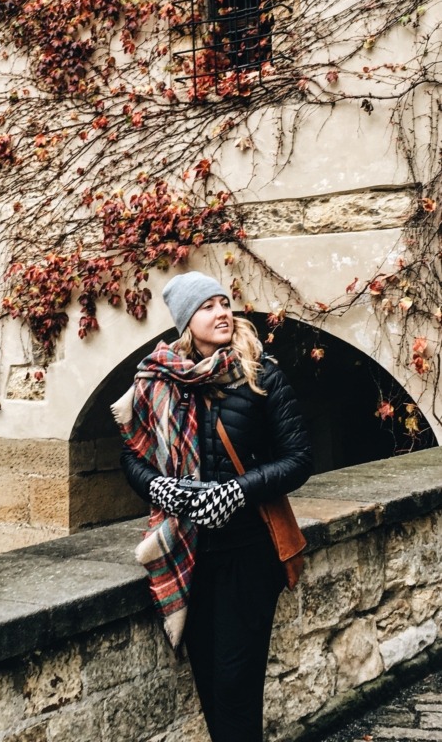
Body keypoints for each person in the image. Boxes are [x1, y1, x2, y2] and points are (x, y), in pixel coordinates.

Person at [112, 270, 313, 742]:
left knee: (237, 682)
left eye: (225, 303)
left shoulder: (262, 373)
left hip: (249, 552)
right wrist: (160, 489)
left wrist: (238, 491)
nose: (222, 312)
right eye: (207, 306)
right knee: (207, 677)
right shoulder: (160, 381)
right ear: (186, 322)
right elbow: (131, 455)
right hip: (191, 553)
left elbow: (299, 459)